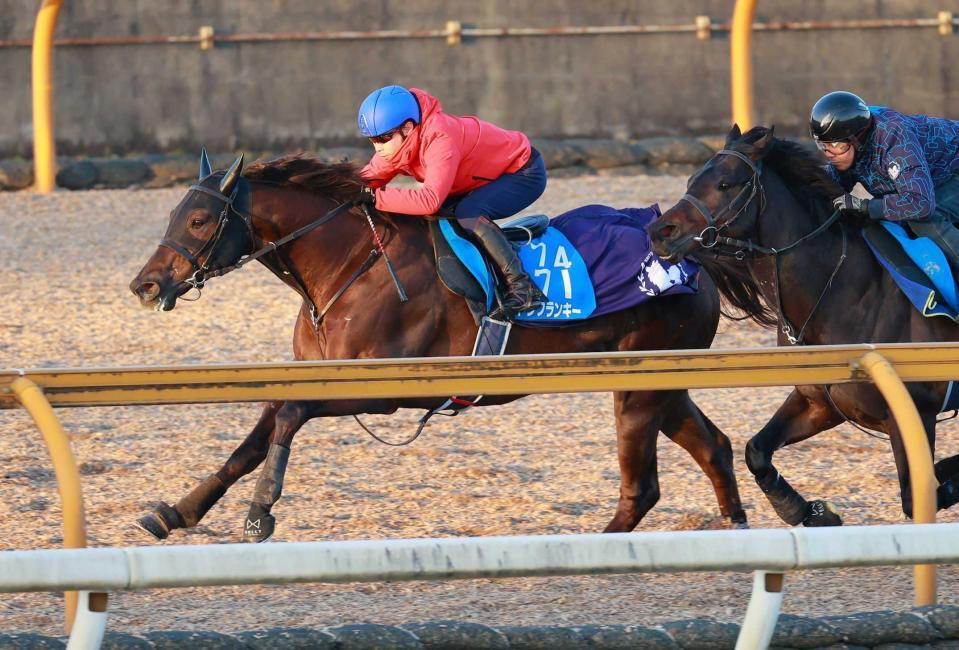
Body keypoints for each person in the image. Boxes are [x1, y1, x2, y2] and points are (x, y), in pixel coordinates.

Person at [354, 84, 548, 318]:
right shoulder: (396, 145)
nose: (378, 148)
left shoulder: (440, 136)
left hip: (523, 172)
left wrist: (376, 197)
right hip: (475, 180)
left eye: (384, 138)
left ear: (407, 127)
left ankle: (523, 288)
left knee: (469, 212)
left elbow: (429, 200)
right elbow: (364, 182)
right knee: (436, 216)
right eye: (372, 140)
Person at [809, 90, 959, 274]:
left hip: (953, 171)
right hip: (938, 177)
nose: (830, 155)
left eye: (837, 146)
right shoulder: (851, 141)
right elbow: (829, 183)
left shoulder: (894, 140)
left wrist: (867, 206)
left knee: (922, 220)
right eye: (824, 146)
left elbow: (921, 203)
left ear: (858, 139)